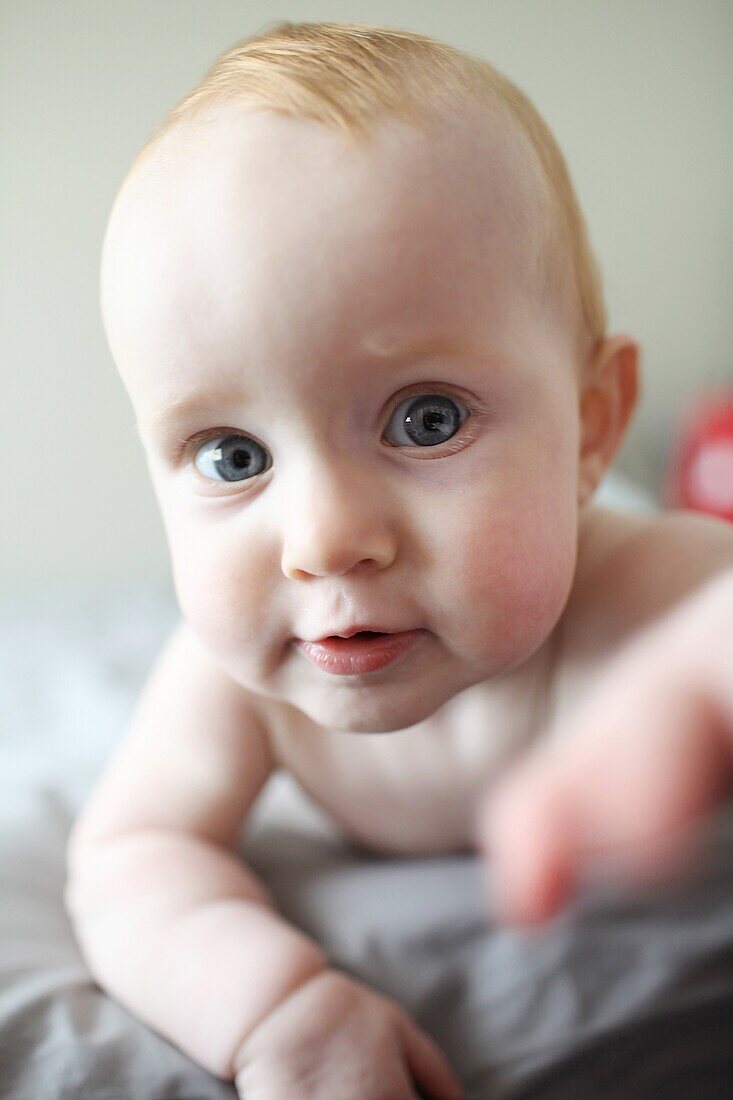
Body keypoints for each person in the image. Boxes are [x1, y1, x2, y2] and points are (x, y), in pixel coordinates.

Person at [64, 21, 733, 1100]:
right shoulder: (235, 685)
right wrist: (275, 1003)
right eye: (233, 455)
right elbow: (130, 858)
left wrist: (692, 677)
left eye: (426, 420)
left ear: (591, 426)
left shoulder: (648, 595)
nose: (323, 538)